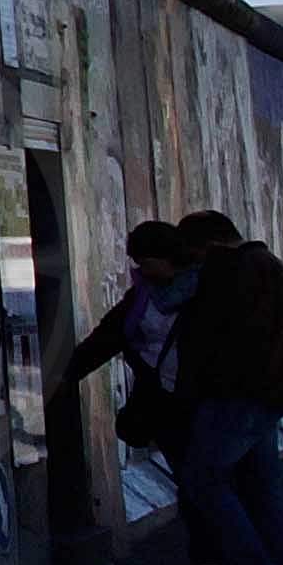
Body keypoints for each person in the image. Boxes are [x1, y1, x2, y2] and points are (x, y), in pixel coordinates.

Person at [166, 208, 283, 565]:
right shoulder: (266, 264)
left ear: (209, 245)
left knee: (203, 479)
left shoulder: (231, 270)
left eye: (194, 253)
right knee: (261, 487)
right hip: (268, 392)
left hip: (237, 393)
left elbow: (201, 322)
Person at [57, 222, 198, 526]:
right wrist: (68, 374)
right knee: (194, 487)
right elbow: (107, 338)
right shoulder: (142, 298)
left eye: (145, 262)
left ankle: (225, 562)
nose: (141, 270)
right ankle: (210, 561)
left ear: (166, 257)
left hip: (203, 403)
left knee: (205, 487)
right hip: (166, 404)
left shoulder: (204, 294)